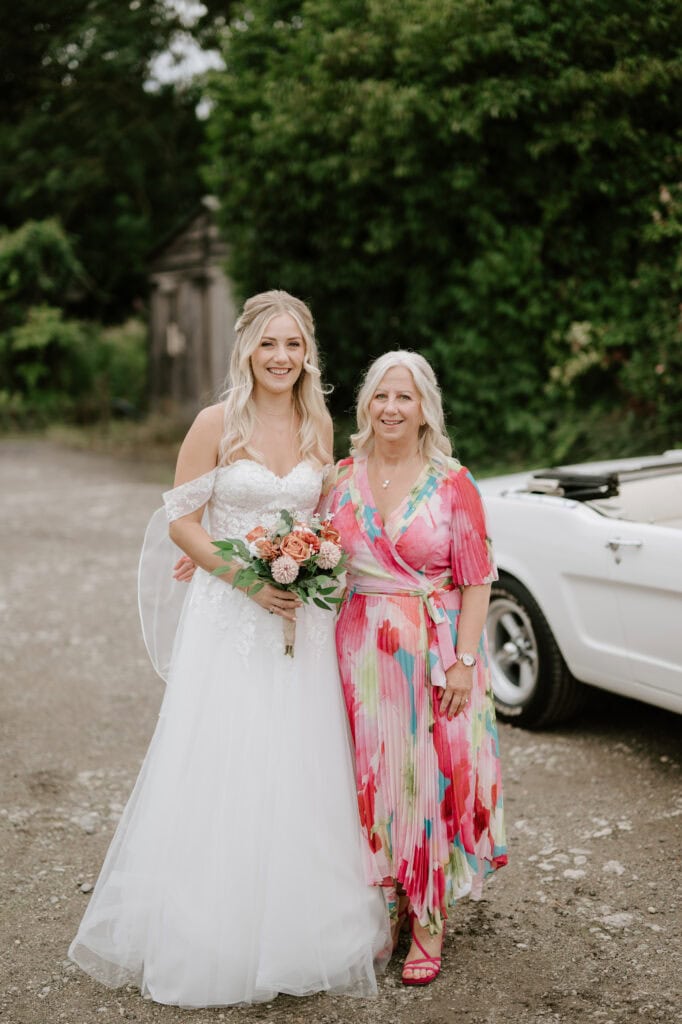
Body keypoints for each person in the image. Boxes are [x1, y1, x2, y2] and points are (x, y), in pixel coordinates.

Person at [68, 291, 390, 1007]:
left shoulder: (316, 423)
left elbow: (329, 515)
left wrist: (318, 564)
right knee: (226, 756)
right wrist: (244, 575)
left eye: (295, 346)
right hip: (232, 612)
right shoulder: (216, 422)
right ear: (246, 348)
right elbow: (181, 518)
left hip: (297, 616)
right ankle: (213, 931)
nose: (282, 358)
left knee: (301, 759)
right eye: (269, 344)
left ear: (309, 354)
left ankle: (304, 925)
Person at [319, 350, 508, 987]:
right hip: (359, 655)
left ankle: (430, 916)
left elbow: (477, 582)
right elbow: (316, 554)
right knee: (372, 780)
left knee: (427, 781)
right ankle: (390, 901)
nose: (391, 408)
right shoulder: (340, 479)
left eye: (405, 397)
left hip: (434, 654)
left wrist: (461, 662)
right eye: (380, 396)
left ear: (425, 408)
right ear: (365, 406)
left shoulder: (454, 482)